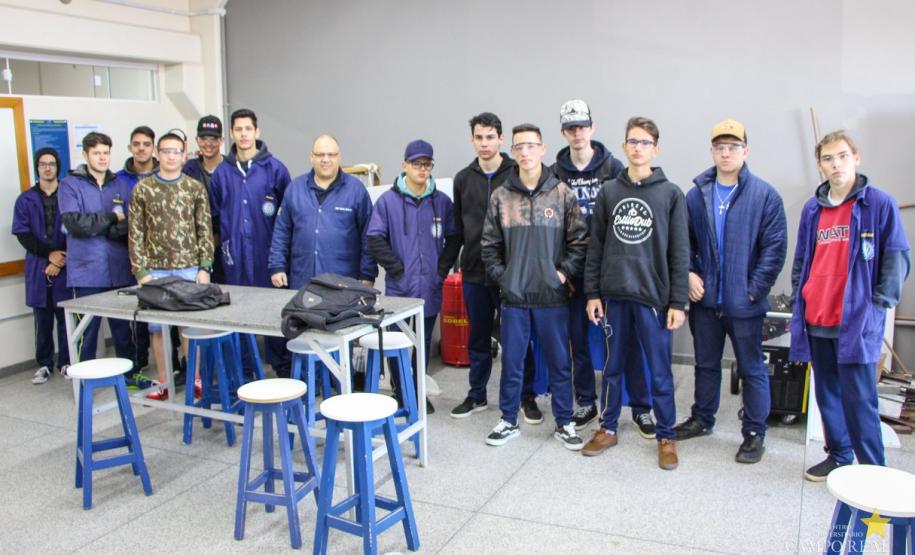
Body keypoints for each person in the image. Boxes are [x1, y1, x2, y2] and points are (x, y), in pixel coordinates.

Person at [790, 130, 910, 481]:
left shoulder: (879, 203)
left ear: (855, 157)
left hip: (856, 322)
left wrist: (877, 307)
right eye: (828, 158)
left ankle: (874, 470)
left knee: (860, 400)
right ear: (820, 165)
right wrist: (802, 293)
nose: (836, 164)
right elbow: (802, 261)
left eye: (842, 156)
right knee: (827, 395)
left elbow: (897, 258)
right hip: (818, 317)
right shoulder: (814, 208)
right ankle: (839, 455)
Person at [675, 118, 787, 464]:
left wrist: (753, 291)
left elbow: (774, 249)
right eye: (720, 147)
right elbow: (684, 243)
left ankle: (754, 433)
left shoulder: (764, 195)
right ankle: (702, 418)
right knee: (706, 364)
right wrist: (690, 274)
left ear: (745, 151)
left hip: (744, 303)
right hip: (706, 301)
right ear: (712, 151)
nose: (726, 153)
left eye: (733, 147)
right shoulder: (697, 195)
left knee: (751, 369)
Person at [583, 117, 689, 470]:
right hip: (614, 296)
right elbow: (594, 247)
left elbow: (679, 253)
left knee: (660, 370)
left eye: (645, 142)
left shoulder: (671, 194)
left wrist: (678, 302)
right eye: (632, 141)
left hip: (654, 299)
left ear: (655, 149)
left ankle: (666, 436)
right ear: (625, 146)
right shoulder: (609, 192)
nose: (638, 147)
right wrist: (592, 293)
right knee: (612, 367)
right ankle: (607, 428)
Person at [480, 123, 588, 450]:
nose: (525, 152)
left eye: (531, 146)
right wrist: (506, 278)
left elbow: (580, 242)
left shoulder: (562, 193)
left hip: (552, 297)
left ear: (542, 149)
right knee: (512, 362)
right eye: (519, 147)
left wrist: (561, 275)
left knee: (559, 362)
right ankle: (508, 420)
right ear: (512, 152)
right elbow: (488, 246)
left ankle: (565, 422)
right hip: (514, 298)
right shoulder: (501, 196)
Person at [550, 99, 654, 436]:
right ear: (563, 132)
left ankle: (641, 407)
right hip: (573, 268)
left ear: (592, 128)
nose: (577, 133)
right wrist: (560, 268)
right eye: (570, 127)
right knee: (577, 339)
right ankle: (586, 400)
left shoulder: (613, 169)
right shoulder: (555, 174)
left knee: (628, 340)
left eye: (582, 126)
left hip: (613, 269)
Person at [441, 113, 540, 423]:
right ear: (473, 140)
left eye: (490, 137)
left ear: (500, 139)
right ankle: (477, 394)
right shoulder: (462, 179)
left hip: (512, 273)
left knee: (519, 338)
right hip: (474, 271)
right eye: (478, 138)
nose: (484, 143)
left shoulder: (516, 172)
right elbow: (456, 229)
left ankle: (526, 396)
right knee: (478, 337)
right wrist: (443, 267)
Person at [366, 140, 457, 414]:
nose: (422, 169)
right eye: (416, 163)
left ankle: (416, 390)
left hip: (430, 286)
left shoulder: (441, 203)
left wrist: (442, 271)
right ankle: (399, 389)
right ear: (404, 165)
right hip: (400, 288)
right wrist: (396, 268)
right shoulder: (388, 202)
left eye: (427, 164)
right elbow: (374, 238)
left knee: (423, 342)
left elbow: (454, 238)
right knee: (397, 341)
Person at [128, 132, 214, 400]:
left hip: (189, 267)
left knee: (188, 328)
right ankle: (164, 382)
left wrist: (205, 267)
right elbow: (136, 233)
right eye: (166, 151)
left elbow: (205, 229)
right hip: (155, 271)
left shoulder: (194, 188)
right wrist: (141, 271)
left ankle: (195, 379)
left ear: (184, 154)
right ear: (157, 153)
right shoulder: (143, 189)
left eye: (176, 151)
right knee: (157, 329)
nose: (171, 156)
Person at [209, 108, 292, 378]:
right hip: (234, 259)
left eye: (248, 129)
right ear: (231, 134)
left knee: (274, 314)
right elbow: (215, 217)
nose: (243, 134)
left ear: (257, 131)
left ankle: (283, 370)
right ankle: (245, 372)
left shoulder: (276, 170)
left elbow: (288, 217)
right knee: (240, 314)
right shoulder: (222, 173)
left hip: (267, 257)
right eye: (238, 129)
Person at [59, 132, 136, 366]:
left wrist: (108, 226)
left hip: (118, 268)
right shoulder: (70, 185)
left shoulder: (120, 184)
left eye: (106, 153)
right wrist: (112, 217)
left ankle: (130, 375)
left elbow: (130, 224)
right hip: (87, 271)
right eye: (96, 153)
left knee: (123, 330)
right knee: (87, 331)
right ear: (85, 154)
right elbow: (75, 224)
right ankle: (83, 380)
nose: (102, 158)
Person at [269, 134, 376, 291]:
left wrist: (367, 274)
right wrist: (277, 266)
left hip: (343, 284)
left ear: (339, 157)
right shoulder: (294, 189)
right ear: (311, 157)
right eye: (320, 155)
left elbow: (369, 236)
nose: (325, 159)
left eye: (331, 154)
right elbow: (281, 232)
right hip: (302, 282)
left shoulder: (356, 191)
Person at [13, 147, 70, 384]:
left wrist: (60, 258)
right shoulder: (25, 199)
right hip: (39, 265)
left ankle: (66, 362)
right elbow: (23, 234)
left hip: (66, 263)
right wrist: (50, 256)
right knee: (42, 318)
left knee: (65, 317)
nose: (48, 167)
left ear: (58, 167)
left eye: (52, 164)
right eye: (43, 164)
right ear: (37, 168)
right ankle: (44, 364)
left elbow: (74, 229)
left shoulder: (68, 195)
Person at [184, 115, 225, 284]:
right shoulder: (188, 170)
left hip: (224, 246)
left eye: (213, 138)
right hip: (195, 250)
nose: (208, 143)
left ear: (221, 140)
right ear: (197, 140)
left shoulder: (230, 169)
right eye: (203, 138)